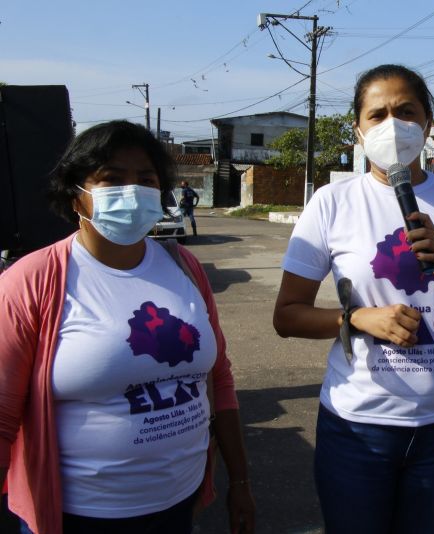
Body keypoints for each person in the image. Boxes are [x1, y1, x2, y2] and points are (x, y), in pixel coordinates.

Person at [273, 64, 434, 533]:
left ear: (427, 125)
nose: (392, 125)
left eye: (405, 112)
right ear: (358, 131)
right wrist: (358, 318)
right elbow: (287, 315)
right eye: (377, 114)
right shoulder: (331, 203)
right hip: (356, 426)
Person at [0, 121, 255, 534]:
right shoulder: (33, 280)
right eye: (112, 179)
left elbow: (219, 379)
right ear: (75, 195)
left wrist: (240, 481)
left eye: (146, 179)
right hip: (80, 515)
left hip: (179, 505)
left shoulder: (183, 267)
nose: (132, 191)